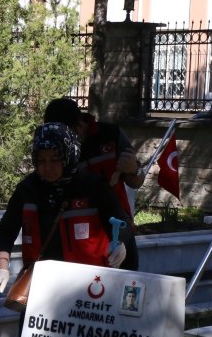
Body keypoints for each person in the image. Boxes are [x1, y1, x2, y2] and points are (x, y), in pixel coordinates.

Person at [0, 122, 130, 296]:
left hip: (89, 287)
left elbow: (121, 220)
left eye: (54, 160)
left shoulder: (92, 185)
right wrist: (1, 267)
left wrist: (120, 244)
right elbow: (5, 231)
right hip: (42, 286)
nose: (47, 167)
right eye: (41, 161)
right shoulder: (27, 190)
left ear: (68, 157)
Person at [43, 97, 141, 270]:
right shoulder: (56, 148)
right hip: (79, 235)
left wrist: (133, 170)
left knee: (125, 289)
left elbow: (136, 181)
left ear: (80, 125)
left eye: (68, 135)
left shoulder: (111, 135)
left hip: (118, 229)